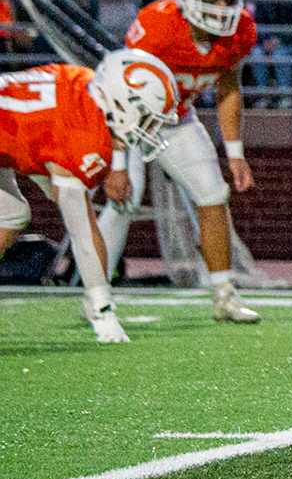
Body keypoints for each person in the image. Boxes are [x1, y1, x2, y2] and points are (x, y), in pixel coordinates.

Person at [99, 0, 260, 322]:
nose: (222, 9)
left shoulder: (240, 30)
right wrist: (119, 163)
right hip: (129, 119)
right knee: (125, 198)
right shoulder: (157, 25)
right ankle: (96, 292)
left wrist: (235, 153)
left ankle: (224, 294)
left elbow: (228, 86)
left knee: (213, 193)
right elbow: (122, 94)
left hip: (176, 117)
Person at [0, 51, 181, 344]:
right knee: (64, 217)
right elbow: (80, 231)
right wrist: (102, 306)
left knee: (10, 214)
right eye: (147, 117)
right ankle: (99, 307)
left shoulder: (87, 87)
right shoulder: (80, 130)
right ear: (122, 104)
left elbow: (34, 139)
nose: (151, 128)